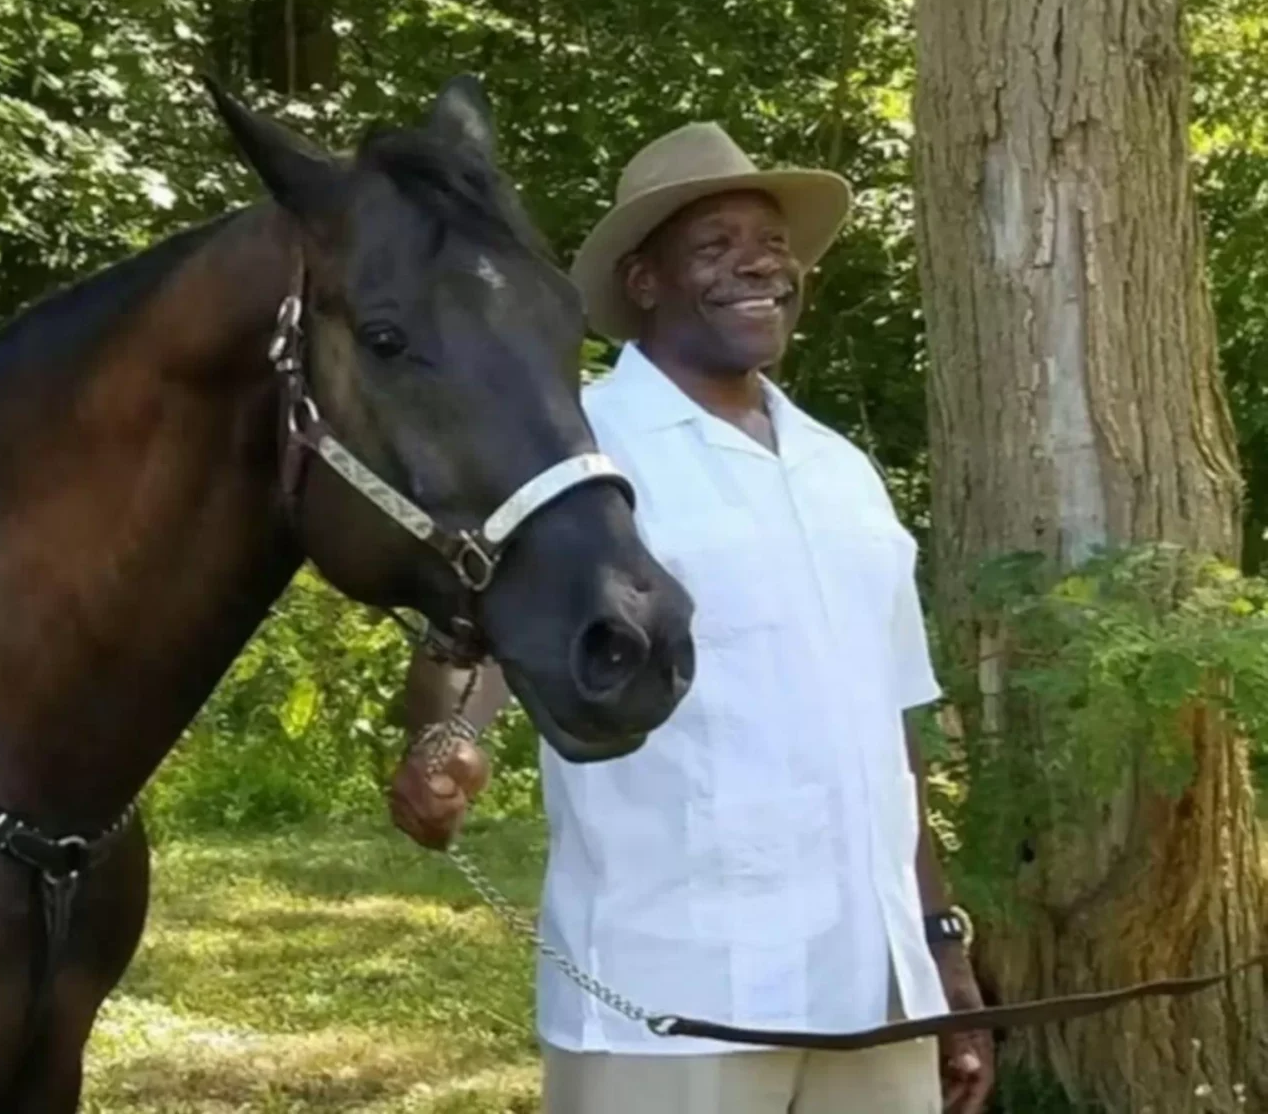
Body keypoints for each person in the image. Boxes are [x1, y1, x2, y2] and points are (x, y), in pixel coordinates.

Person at [389, 123, 995, 1114]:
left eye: (771, 244)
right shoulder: (579, 448)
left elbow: (889, 731)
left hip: (873, 985)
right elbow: (477, 641)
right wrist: (442, 740)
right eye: (714, 246)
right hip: (673, 988)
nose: (758, 265)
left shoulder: (841, 471)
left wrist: (939, 948)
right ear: (643, 282)